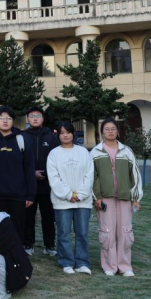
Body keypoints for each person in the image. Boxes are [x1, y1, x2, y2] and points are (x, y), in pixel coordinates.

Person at [91, 118, 143, 277]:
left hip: (125, 197)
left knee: (125, 231)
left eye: (113, 128)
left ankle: (125, 266)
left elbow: (135, 174)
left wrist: (135, 197)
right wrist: (96, 197)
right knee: (107, 231)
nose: (110, 132)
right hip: (105, 198)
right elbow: (92, 177)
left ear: (117, 131)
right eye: (107, 129)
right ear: (102, 132)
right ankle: (110, 266)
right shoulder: (95, 152)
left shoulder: (126, 151)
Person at [0, 106, 36, 241]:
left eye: (9, 118)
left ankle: (16, 254)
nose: (5, 121)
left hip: (18, 197)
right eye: (2, 118)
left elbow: (29, 169)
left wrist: (30, 195)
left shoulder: (21, 141)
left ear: (13, 121)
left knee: (17, 232)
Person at [47, 121, 94, 275]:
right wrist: (68, 194)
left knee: (82, 233)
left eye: (68, 132)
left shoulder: (83, 152)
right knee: (63, 233)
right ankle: (66, 262)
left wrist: (80, 194)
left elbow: (89, 175)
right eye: (62, 133)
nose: (65, 135)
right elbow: (54, 178)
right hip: (62, 201)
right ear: (58, 135)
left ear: (73, 134)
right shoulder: (54, 154)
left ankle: (82, 262)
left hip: (83, 201)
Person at [23, 105, 60, 256]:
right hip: (28, 184)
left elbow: (57, 159)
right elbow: (19, 160)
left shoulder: (51, 136)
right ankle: (28, 244)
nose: (35, 118)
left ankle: (49, 245)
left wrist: (47, 173)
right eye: (32, 116)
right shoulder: (22, 136)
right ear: (27, 119)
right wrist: (31, 173)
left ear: (43, 118)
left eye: (38, 116)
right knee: (28, 217)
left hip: (47, 184)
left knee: (48, 217)